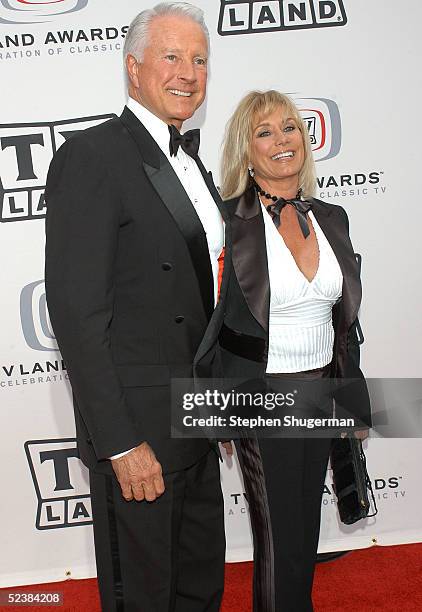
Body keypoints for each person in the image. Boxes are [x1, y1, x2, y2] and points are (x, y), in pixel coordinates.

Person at [44, 4, 230, 611]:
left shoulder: (193, 163)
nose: (188, 72)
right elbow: (77, 315)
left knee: (200, 586)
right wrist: (120, 443)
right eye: (171, 57)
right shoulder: (94, 155)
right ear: (133, 69)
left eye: (199, 59)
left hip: (197, 420)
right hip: (141, 431)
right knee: (144, 598)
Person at [219, 90, 371, 612]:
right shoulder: (227, 223)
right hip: (263, 397)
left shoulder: (331, 217)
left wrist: (352, 400)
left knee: (306, 527)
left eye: (289, 128)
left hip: (322, 392)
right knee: (279, 538)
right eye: (264, 132)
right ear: (246, 149)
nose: (281, 141)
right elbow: (206, 322)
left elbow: (344, 322)